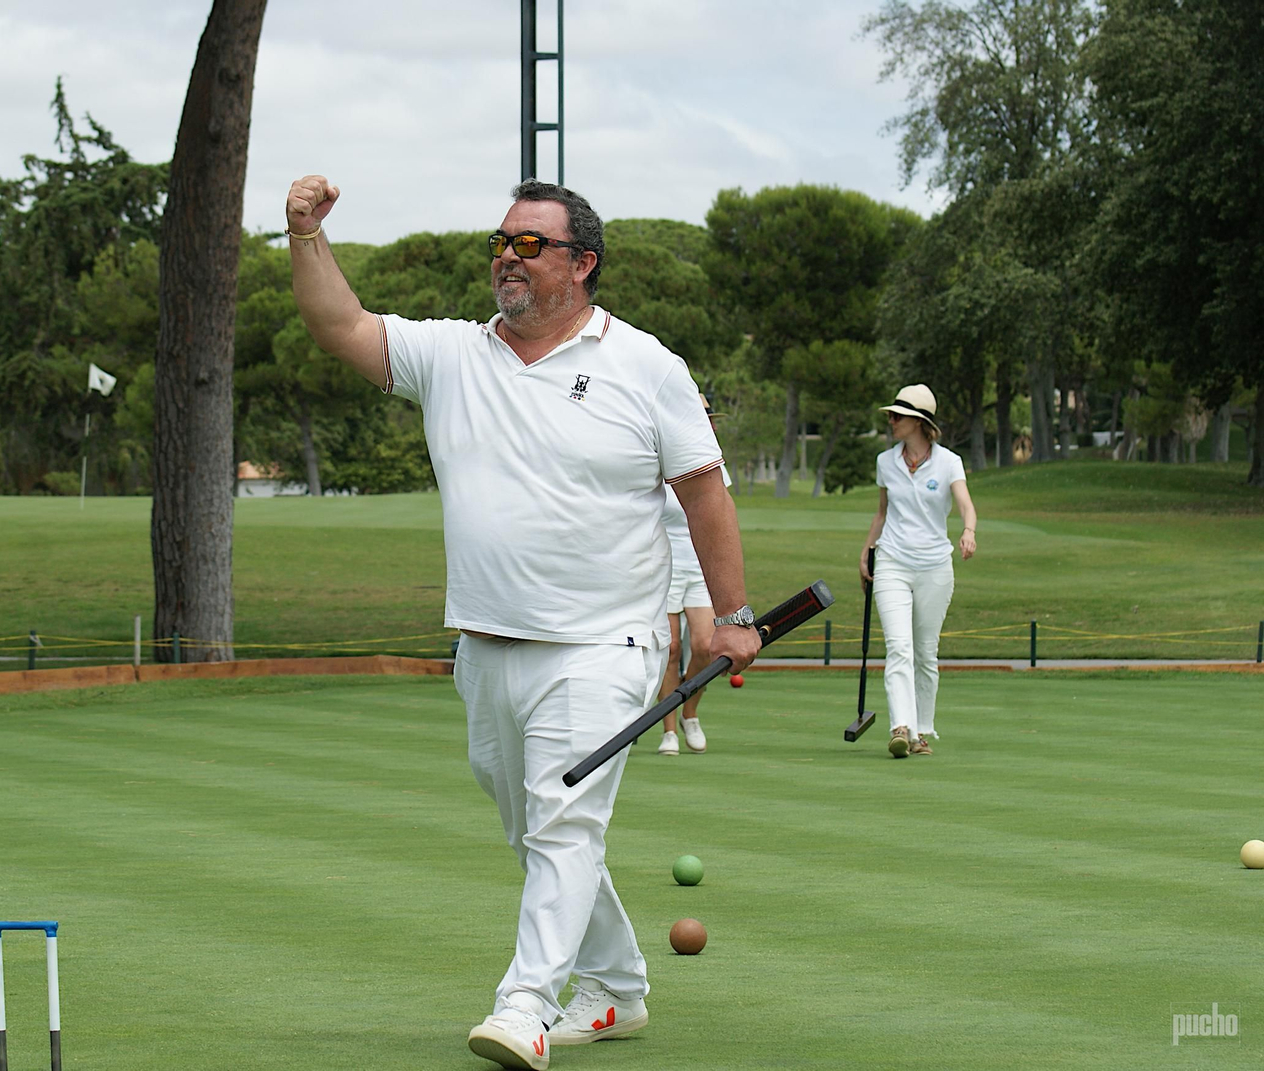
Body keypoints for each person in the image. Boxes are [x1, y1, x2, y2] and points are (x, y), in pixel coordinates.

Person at [285, 174, 762, 1070]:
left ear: (582, 264)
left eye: (530, 243)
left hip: (602, 642)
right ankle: (616, 990)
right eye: (500, 241)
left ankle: (524, 1006)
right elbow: (340, 326)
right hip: (485, 643)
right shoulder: (452, 355)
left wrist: (727, 615)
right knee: (537, 827)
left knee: (563, 824)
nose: (507, 254)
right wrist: (305, 235)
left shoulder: (647, 365)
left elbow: (704, 493)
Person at [859, 384, 978, 759]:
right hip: (893, 560)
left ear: (919, 422)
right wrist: (866, 551)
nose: (891, 421)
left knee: (925, 653)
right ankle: (901, 727)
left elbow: (965, 504)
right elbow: (882, 513)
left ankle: (922, 730)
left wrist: (969, 531)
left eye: (897, 416)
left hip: (934, 566)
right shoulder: (885, 462)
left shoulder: (949, 463)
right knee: (899, 647)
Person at [656, 396, 730, 757]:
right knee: (670, 649)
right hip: (664, 566)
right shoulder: (659, 456)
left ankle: (689, 711)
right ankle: (669, 730)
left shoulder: (713, 464)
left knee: (704, 646)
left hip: (700, 567)